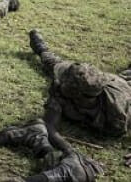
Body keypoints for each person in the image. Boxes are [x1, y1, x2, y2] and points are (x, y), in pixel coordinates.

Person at [29, 29, 131, 166]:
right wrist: (70, 151)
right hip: (106, 81)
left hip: (124, 85)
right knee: (52, 62)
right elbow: (50, 126)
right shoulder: (62, 91)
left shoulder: (119, 107)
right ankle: (40, 46)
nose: (59, 83)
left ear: (75, 93)